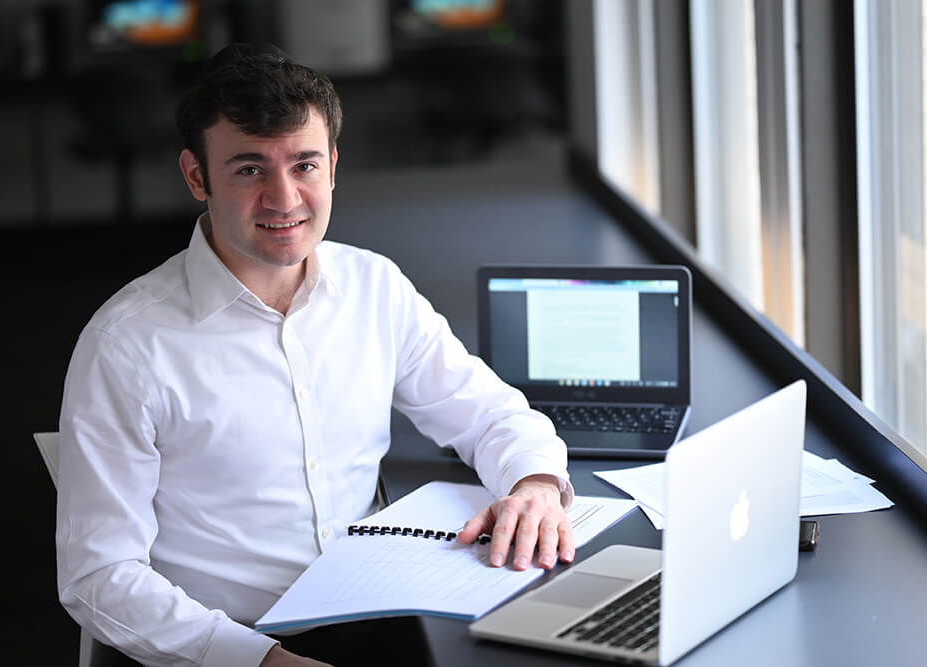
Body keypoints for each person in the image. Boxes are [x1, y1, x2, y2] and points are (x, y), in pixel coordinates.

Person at [56, 43, 574, 667]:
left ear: (331, 165)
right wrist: (261, 661)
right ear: (197, 176)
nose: (284, 199)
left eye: (303, 165)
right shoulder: (126, 346)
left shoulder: (375, 287)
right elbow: (99, 575)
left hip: (377, 609)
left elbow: (490, 413)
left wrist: (536, 483)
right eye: (249, 170)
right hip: (221, 643)